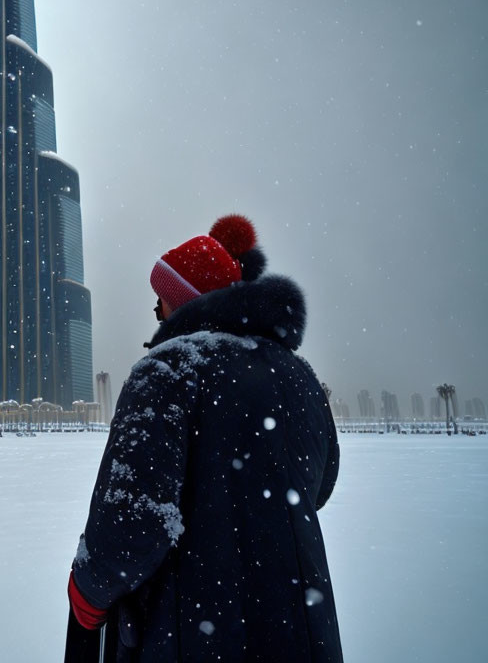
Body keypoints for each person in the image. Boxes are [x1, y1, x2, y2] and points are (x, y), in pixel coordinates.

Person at [66, 214, 342, 662]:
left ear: (183, 303)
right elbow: (321, 484)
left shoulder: (169, 370)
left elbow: (131, 521)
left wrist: (88, 590)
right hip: (301, 632)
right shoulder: (300, 376)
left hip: (195, 633)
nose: (156, 315)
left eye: (160, 303)